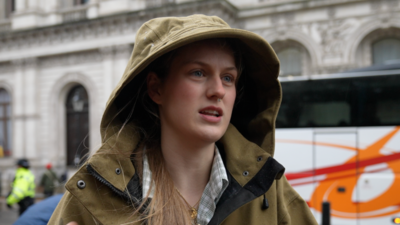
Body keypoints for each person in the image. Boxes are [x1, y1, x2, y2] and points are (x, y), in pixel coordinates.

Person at [49, 15, 318, 225]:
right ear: (156, 88)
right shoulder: (93, 194)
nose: (218, 90)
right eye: (198, 72)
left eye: (228, 77)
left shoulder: (270, 191)